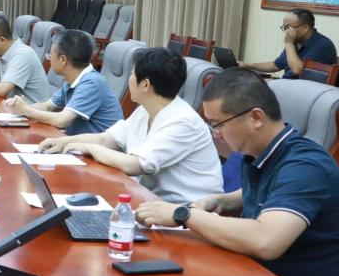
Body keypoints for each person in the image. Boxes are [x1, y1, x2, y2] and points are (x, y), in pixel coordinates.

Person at [136, 69, 339, 276]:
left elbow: (266, 241)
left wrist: (184, 215)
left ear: (256, 118)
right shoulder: (260, 152)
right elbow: (263, 192)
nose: (216, 134)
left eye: (218, 124)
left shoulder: (305, 166)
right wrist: (220, 200)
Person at [39, 47, 222, 203]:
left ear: (145, 85)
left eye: (132, 74)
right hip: (150, 201)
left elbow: (134, 164)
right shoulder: (145, 110)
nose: (129, 79)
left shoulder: (182, 121)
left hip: (185, 214)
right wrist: (66, 141)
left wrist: (87, 147)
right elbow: (106, 139)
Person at [4, 29, 122, 134]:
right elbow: (48, 106)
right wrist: (19, 107)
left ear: (62, 59)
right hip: (79, 144)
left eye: (50, 54)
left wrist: (26, 110)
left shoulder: (92, 83)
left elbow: (62, 120)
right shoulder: (72, 81)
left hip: (97, 150)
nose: (48, 58)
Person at [239, 8, 336, 79]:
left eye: (288, 28)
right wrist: (247, 65)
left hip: (305, 92)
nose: (286, 32)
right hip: (288, 86)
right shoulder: (296, 41)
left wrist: (289, 44)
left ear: (305, 28)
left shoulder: (322, 45)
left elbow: (298, 70)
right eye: (284, 28)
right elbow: (276, 65)